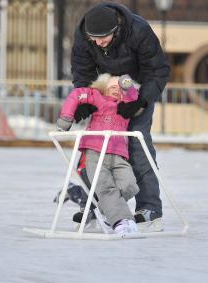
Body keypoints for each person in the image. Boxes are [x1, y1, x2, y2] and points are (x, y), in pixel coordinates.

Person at [70, 2, 169, 231]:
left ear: (116, 30)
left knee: (137, 145)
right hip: (105, 95)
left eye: (103, 38)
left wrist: (141, 101)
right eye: (94, 38)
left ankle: (149, 207)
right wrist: (86, 101)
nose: (98, 43)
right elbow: (82, 71)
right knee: (94, 146)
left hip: (137, 94)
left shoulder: (139, 30)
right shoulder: (84, 35)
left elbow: (156, 70)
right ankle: (93, 203)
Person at [56, 73, 140, 235]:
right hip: (95, 150)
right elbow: (76, 95)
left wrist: (126, 84)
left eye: (119, 87)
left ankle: (104, 211)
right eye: (112, 87)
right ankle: (120, 221)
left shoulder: (126, 105)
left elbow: (133, 96)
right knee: (106, 188)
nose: (116, 90)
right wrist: (66, 118)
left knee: (130, 185)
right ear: (104, 89)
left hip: (118, 153)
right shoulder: (98, 98)